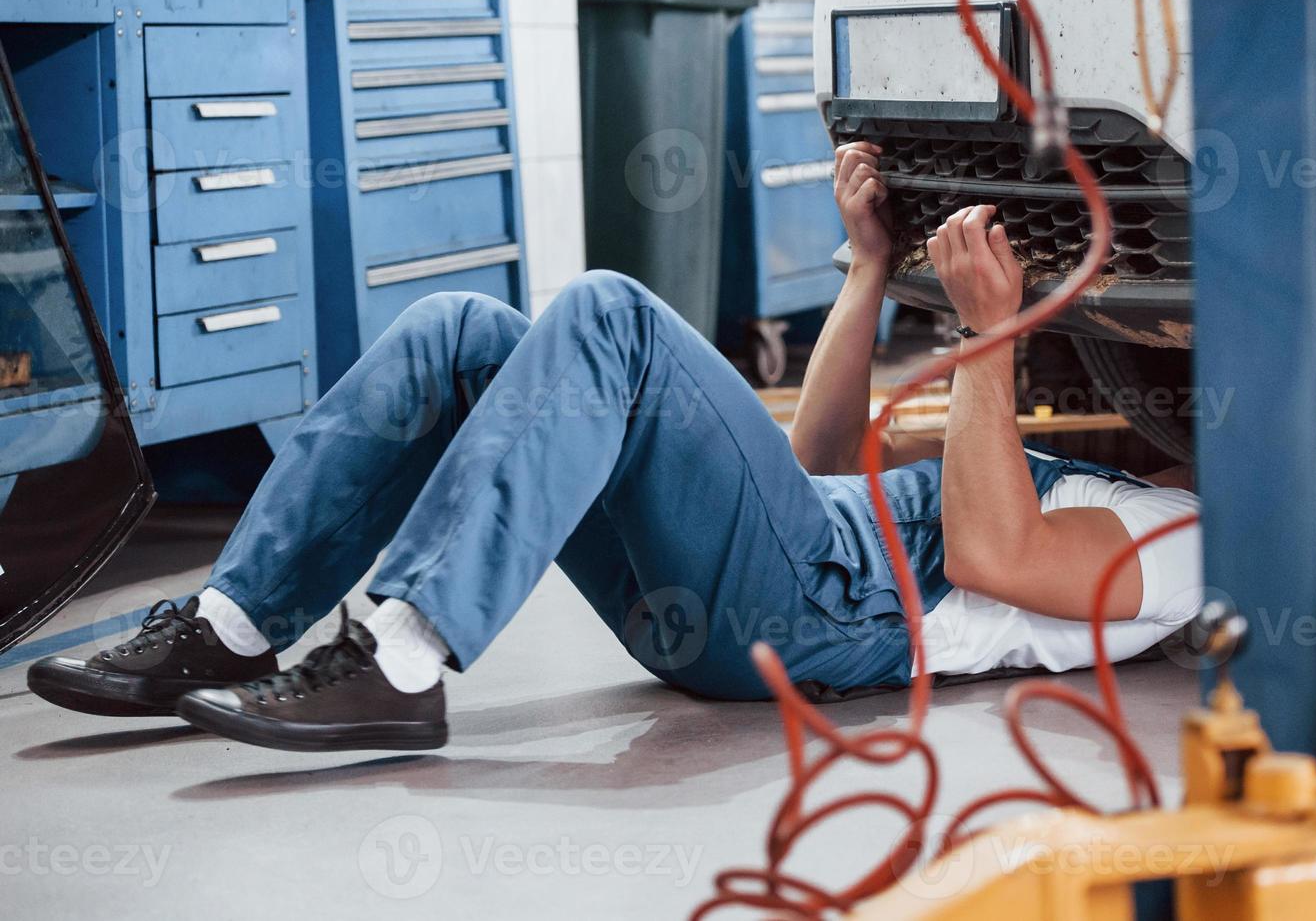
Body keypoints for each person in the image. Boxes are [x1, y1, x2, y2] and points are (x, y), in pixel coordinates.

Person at [27, 143, 1203, 752]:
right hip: (771, 574)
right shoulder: (1111, 475)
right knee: (459, 333)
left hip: (816, 622)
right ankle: (232, 623)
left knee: (611, 315)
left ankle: (402, 660)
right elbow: (812, 472)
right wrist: (866, 268)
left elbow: (997, 557)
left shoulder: (1191, 544)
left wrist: (991, 338)